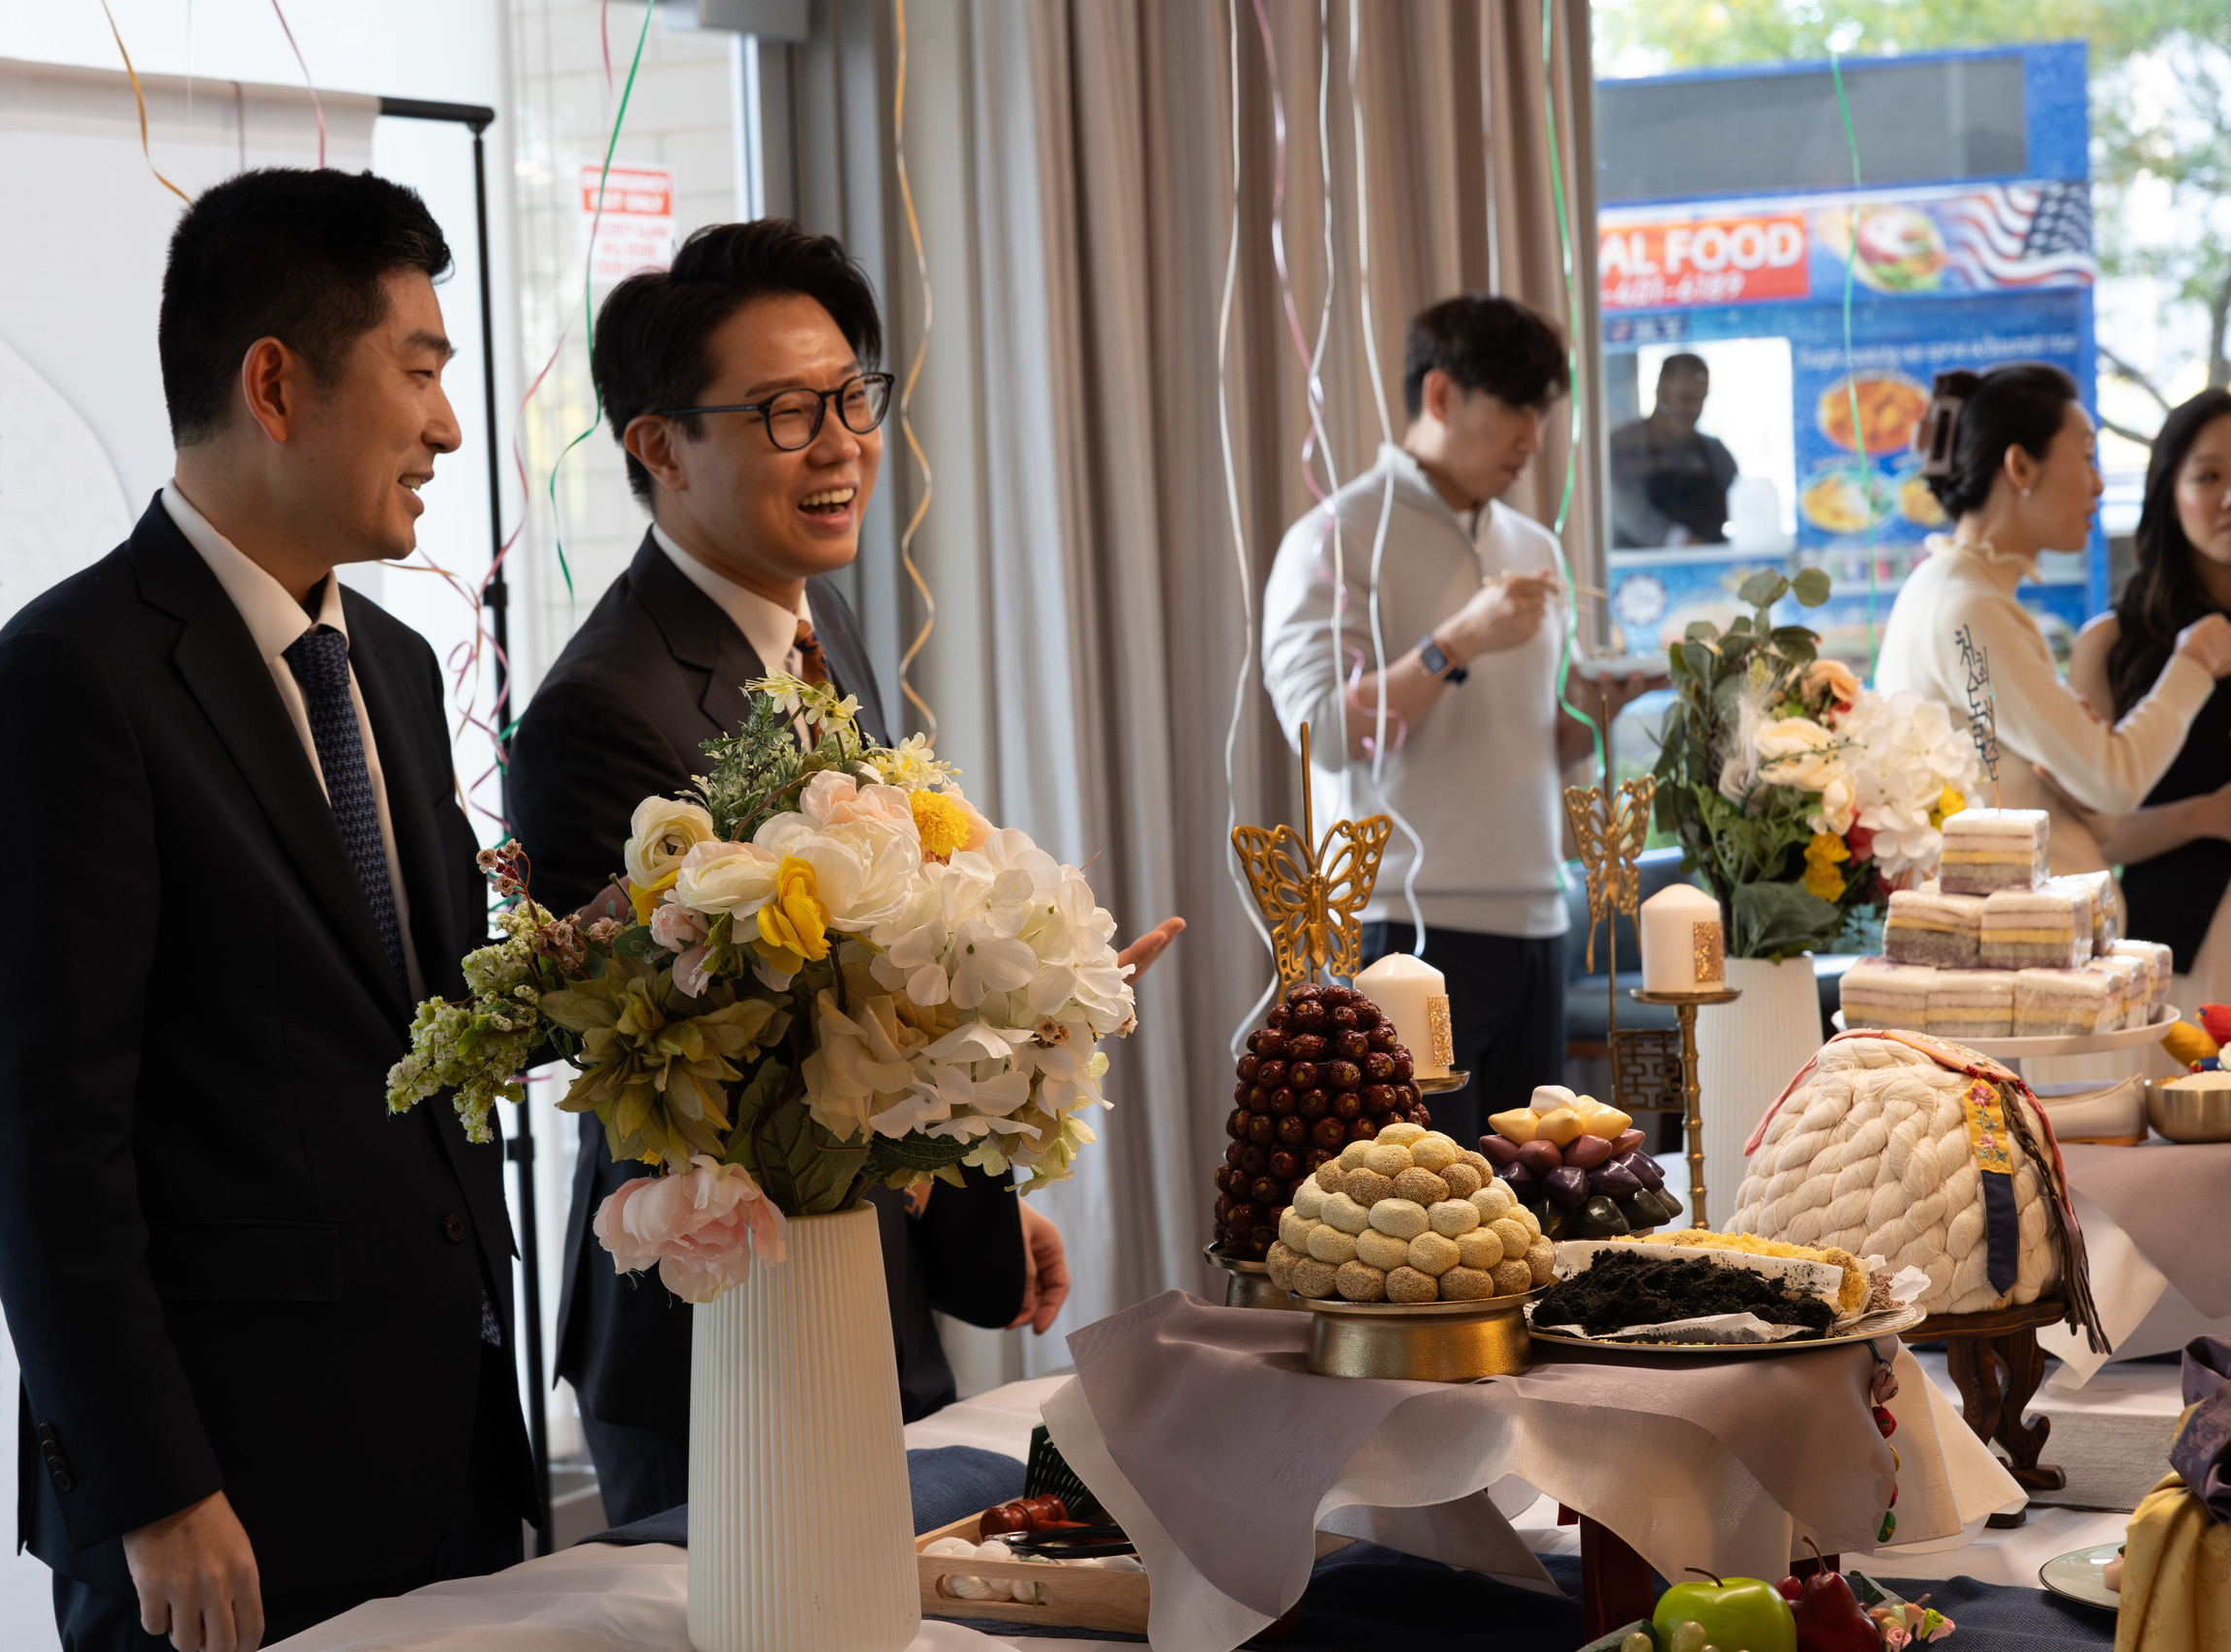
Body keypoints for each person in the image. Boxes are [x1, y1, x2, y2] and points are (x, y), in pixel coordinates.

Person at [0, 170, 536, 1652]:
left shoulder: (390, 664)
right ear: (275, 382)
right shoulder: (67, 686)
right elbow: (41, 1144)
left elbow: (419, 1015)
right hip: (227, 1507)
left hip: (448, 1454)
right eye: (420, 372)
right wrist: (155, 1487)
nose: (448, 428)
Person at [505, 220, 1180, 1526]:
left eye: (852, 396)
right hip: (724, 1326)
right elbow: (713, 1077)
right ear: (658, 445)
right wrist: (1015, 1034)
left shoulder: (822, 622)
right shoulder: (605, 710)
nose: (842, 443)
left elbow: (892, 956)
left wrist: (977, 1200)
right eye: (785, 410)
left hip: (868, 1283)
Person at [1261, 294, 1641, 1140]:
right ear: (1440, 396)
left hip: (1539, 914)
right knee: (1431, 1218)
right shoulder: (1337, 535)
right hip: (1406, 918)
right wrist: (1455, 640)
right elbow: (1319, 729)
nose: (1533, 439)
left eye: (1542, 412)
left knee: (1540, 1201)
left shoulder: (1532, 544)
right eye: (1515, 408)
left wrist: (1603, 708)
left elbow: (1544, 741)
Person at [1875, 365, 2231, 879]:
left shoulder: (1956, 590)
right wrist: (2194, 663)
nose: (2099, 482)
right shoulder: (1970, 607)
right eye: (2086, 456)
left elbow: (2092, 798)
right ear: (2020, 468)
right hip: (2016, 946)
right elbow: (2114, 778)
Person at [2046, 390, 2231, 1005]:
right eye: (2208, 476)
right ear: (2169, 494)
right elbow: (2091, 833)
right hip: (2175, 952)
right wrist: (2207, 814)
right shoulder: (2113, 642)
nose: (2230, 496)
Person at [1609, 351, 1739, 548]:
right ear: (1662, 393)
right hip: (1640, 572)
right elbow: (1629, 512)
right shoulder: (1622, 445)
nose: (1694, 409)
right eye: (1686, 398)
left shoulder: (1715, 452)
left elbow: (1741, 502)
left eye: (1701, 399)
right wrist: (1684, 541)